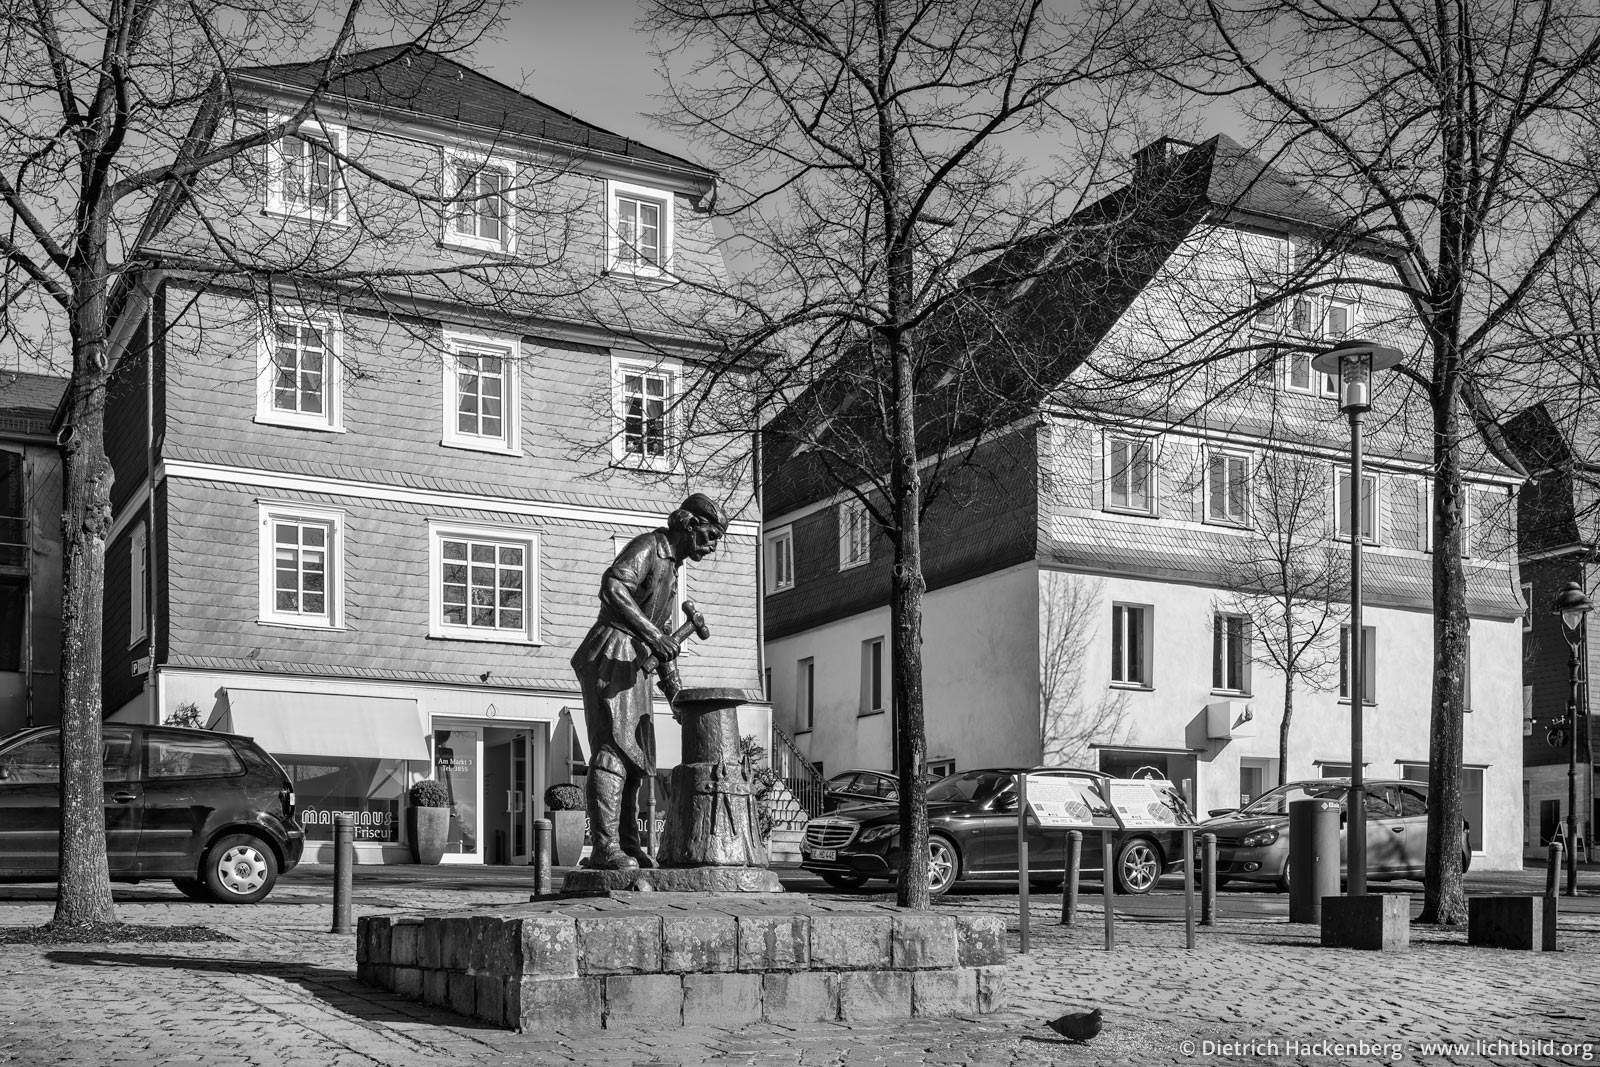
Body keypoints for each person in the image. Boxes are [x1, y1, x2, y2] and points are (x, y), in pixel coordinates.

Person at [570, 492, 727, 870]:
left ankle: (627, 844)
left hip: (634, 660)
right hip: (611, 653)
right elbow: (613, 587)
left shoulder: (672, 569)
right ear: (688, 524)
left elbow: (665, 637)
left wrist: (675, 694)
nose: (711, 546)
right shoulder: (650, 547)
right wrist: (654, 637)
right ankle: (604, 849)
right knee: (613, 751)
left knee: (636, 757)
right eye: (708, 536)